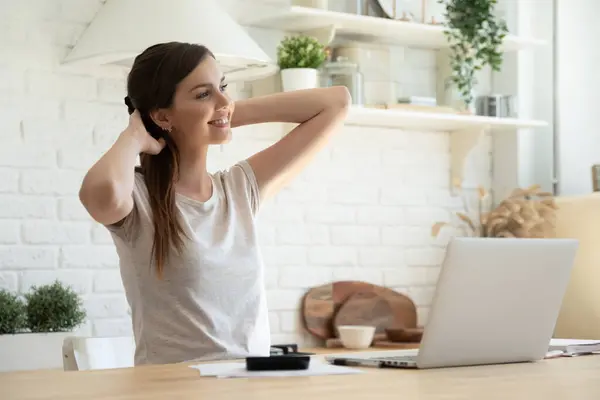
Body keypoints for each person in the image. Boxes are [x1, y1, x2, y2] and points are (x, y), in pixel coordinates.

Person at [79, 41, 350, 366]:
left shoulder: (238, 189)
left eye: (222, 87)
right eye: (202, 93)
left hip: (250, 387)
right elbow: (100, 193)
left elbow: (336, 103)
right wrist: (136, 134)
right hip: (174, 392)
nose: (225, 100)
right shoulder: (139, 200)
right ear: (162, 114)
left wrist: (220, 113)